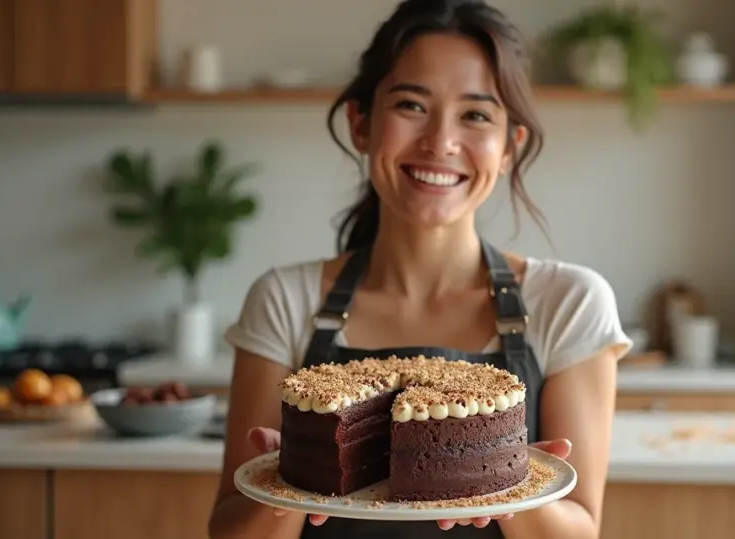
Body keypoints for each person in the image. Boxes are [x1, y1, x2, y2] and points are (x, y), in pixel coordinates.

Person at [207, 0, 632, 537]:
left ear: (508, 148)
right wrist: (291, 479)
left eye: (476, 115)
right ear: (361, 124)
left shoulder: (568, 301)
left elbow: (581, 531)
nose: (441, 142)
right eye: (411, 105)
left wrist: (508, 485)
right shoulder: (285, 299)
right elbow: (228, 531)